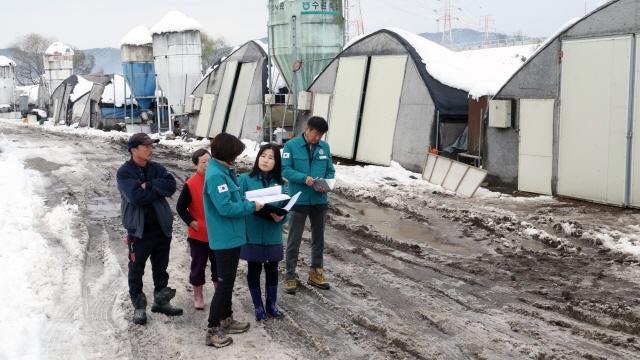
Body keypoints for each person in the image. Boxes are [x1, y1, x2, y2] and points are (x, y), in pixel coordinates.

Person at [203, 133, 264, 348]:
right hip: (225, 237)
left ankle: (226, 319)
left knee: (227, 282)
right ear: (227, 154)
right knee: (224, 283)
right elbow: (226, 207)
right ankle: (212, 329)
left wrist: (249, 200)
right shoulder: (216, 176)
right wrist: (251, 206)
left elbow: (234, 198)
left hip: (232, 235)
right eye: (235, 154)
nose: (237, 158)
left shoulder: (225, 171)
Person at [116, 133, 183, 325]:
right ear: (134, 149)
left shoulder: (156, 168)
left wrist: (149, 185)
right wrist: (155, 192)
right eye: (146, 146)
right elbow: (136, 197)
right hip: (139, 232)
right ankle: (138, 306)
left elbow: (171, 186)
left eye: (151, 145)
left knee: (161, 268)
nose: (150, 149)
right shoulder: (125, 172)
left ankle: (161, 302)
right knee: (136, 269)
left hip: (161, 228)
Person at [281, 116, 335, 294]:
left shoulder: (324, 147)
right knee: (294, 240)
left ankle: (316, 272)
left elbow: (330, 170)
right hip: (299, 199)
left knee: (318, 239)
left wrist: (326, 183)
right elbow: (285, 169)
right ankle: (290, 275)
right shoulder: (291, 146)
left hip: (319, 201)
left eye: (321, 135)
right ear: (308, 129)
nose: (318, 138)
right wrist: (304, 179)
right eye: (316, 134)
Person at [239, 144, 286, 321]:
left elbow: (286, 208)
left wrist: (282, 217)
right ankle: (258, 307)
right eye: (263, 156)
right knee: (254, 268)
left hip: (273, 233)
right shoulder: (244, 179)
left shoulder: (281, 183)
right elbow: (240, 204)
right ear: (258, 158)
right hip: (253, 231)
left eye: (271, 157)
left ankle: (271, 305)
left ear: (277, 162)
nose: (266, 160)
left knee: (273, 269)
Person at [176, 149, 217, 310]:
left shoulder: (217, 179)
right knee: (198, 267)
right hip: (198, 235)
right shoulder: (191, 183)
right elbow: (180, 207)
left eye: (210, 161)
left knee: (218, 267)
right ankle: (198, 296)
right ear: (196, 165)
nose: (207, 164)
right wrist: (192, 222)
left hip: (217, 234)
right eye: (203, 162)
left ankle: (219, 295)